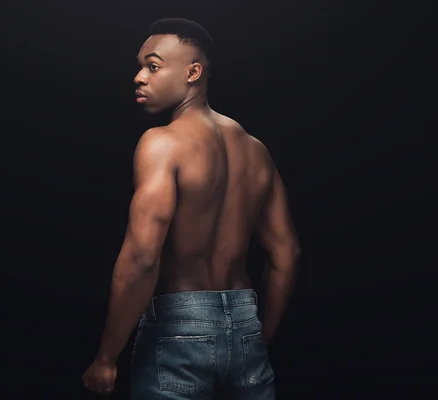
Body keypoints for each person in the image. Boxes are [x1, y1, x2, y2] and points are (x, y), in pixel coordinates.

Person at [82, 18, 300, 399]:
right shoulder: (256, 150)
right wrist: (258, 337)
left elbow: (142, 258)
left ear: (193, 72)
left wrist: (106, 356)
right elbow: (287, 255)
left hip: (179, 329)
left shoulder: (162, 143)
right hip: (246, 324)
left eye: (152, 65)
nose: (138, 77)